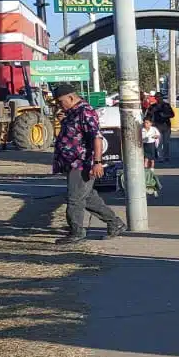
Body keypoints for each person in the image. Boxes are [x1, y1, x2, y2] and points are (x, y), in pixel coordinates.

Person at [51, 83, 125, 244]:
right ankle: (115, 223)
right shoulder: (72, 112)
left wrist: (97, 162)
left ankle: (76, 232)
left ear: (71, 97)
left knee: (74, 199)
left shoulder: (85, 111)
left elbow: (96, 137)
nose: (59, 105)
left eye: (60, 101)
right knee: (88, 197)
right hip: (72, 163)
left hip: (82, 163)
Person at [146, 93, 175, 163]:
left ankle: (166, 157)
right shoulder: (153, 106)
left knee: (166, 143)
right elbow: (148, 116)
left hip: (166, 127)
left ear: (162, 97)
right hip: (157, 127)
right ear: (155, 98)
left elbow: (172, 114)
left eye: (160, 97)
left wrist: (165, 115)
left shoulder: (166, 105)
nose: (158, 98)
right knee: (159, 143)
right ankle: (160, 157)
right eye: (157, 97)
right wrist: (148, 124)